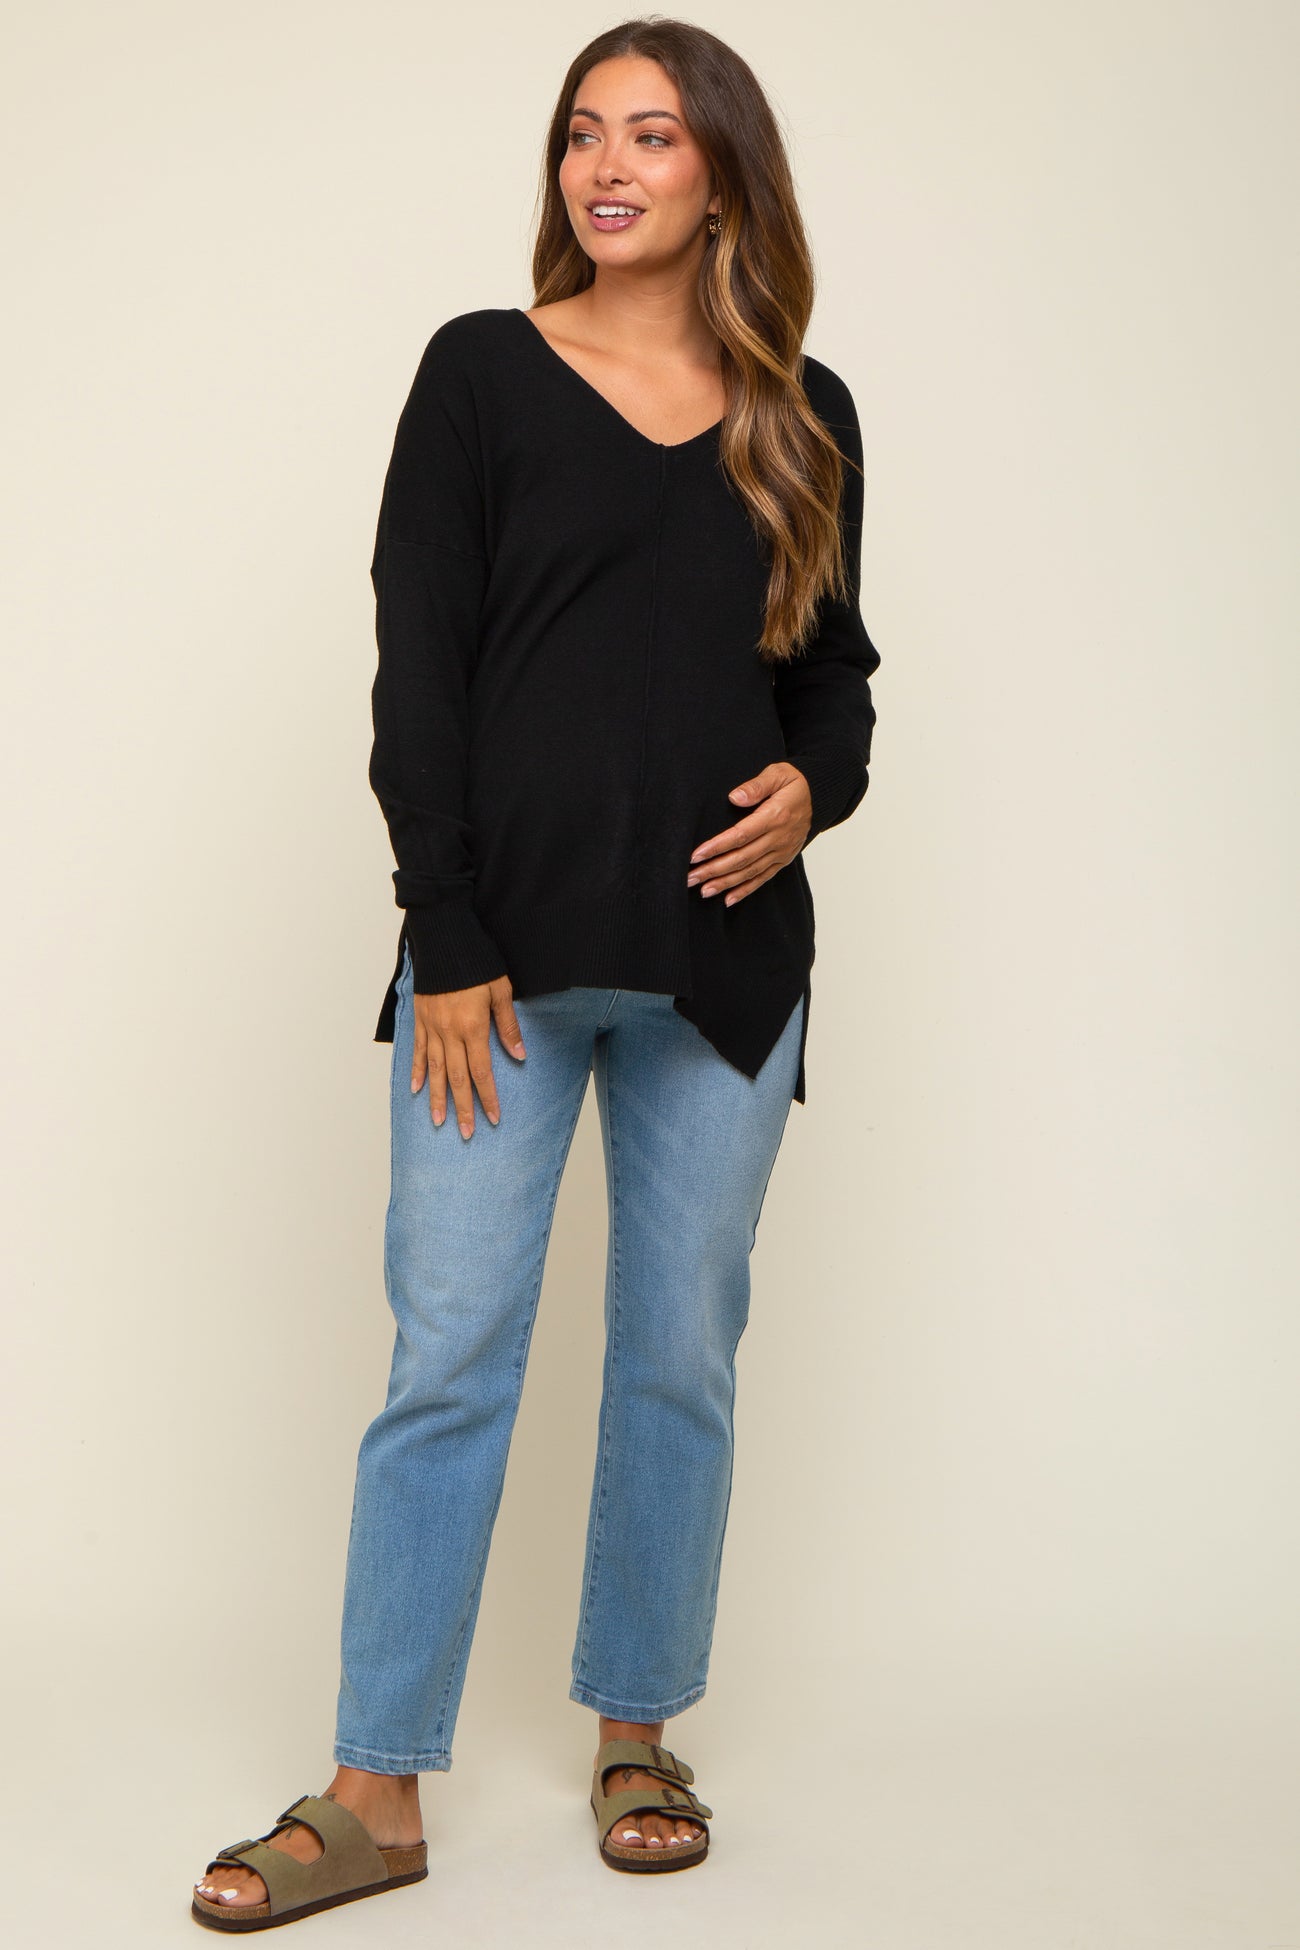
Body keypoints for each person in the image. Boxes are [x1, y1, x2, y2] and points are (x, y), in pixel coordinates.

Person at [192, 16, 881, 1930]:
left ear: (723, 176)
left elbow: (835, 672)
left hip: (725, 969)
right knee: (450, 1356)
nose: (609, 166)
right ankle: (374, 1789)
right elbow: (419, 659)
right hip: (494, 969)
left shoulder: (803, 407)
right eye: (586, 133)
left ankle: (638, 1730)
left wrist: (813, 787)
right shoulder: (482, 371)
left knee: (678, 1359)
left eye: (652, 135)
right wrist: (447, 928)